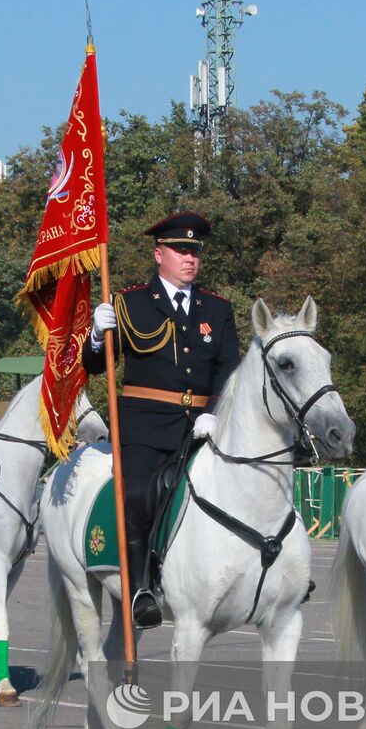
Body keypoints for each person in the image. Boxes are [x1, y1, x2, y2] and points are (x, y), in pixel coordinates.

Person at [83, 211, 240, 629]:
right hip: (146, 426)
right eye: (181, 250)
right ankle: (141, 588)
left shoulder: (217, 309)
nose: (190, 258)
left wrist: (213, 412)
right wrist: (96, 337)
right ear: (159, 254)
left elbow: (230, 370)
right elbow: (95, 366)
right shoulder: (128, 302)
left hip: (205, 427)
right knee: (136, 494)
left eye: (195, 252)